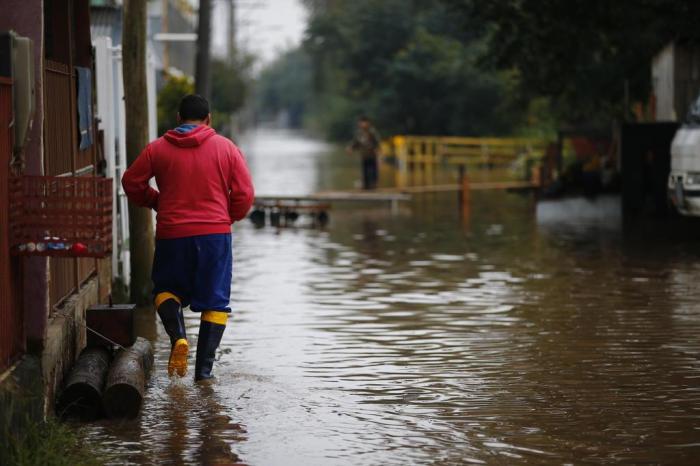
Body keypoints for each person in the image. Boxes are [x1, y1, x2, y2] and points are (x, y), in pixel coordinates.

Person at [122, 94, 254, 381]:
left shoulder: (157, 149)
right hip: (215, 236)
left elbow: (131, 182)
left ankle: (179, 337)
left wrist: (156, 201)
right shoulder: (227, 148)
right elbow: (245, 194)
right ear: (209, 120)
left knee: (165, 290)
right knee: (216, 302)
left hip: (173, 235)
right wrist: (227, 216)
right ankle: (204, 374)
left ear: (179, 119)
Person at [347, 116, 381, 189]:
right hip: (364, 155)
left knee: (373, 170)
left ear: (368, 123)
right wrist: (350, 148)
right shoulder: (359, 133)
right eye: (361, 123)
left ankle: (374, 185)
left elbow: (377, 142)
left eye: (364, 122)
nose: (363, 124)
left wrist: (378, 150)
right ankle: (366, 185)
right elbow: (355, 143)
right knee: (365, 171)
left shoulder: (372, 132)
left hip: (372, 154)